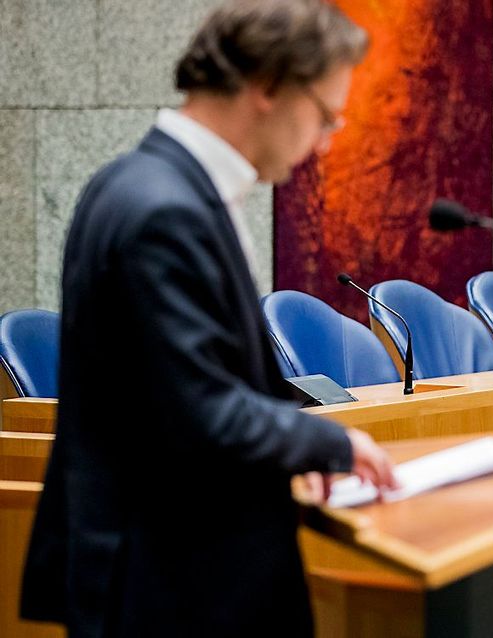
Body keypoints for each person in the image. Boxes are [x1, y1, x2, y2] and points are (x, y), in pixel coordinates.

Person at [20, 1, 396, 636]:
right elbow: (198, 411)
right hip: (169, 585)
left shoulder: (140, 181)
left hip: (167, 569)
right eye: (326, 117)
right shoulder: (164, 208)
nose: (327, 141)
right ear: (268, 88)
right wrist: (331, 442)